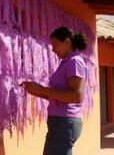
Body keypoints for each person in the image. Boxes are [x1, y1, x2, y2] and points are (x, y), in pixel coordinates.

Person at [20, 26, 87, 155]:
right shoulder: (67, 62)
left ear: (67, 42)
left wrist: (42, 89)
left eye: (55, 45)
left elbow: (76, 96)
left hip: (65, 122)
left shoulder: (74, 61)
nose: (53, 49)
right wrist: (38, 92)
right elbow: (61, 97)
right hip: (60, 122)